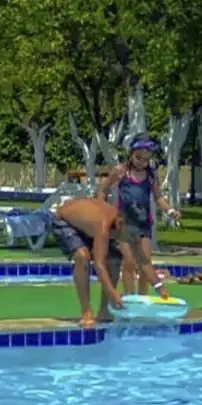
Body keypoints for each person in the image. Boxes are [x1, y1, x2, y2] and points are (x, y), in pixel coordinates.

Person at [100, 134, 177, 299]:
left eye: (145, 159)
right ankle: (129, 296)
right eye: (138, 158)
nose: (142, 162)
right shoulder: (121, 172)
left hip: (143, 224)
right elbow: (102, 189)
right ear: (131, 154)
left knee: (145, 262)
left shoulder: (151, 176)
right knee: (129, 261)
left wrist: (169, 210)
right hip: (124, 224)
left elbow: (158, 197)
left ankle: (143, 297)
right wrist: (102, 209)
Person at [49, 196, 127, 329]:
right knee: (82, 256)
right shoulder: (104, 224)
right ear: (119, 224)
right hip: (63, 221)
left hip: (86, 226)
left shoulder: (121, 224)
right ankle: (86, 311)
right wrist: (112, 292)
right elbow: (99, 263)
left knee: (115, 258)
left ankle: (105, 311)